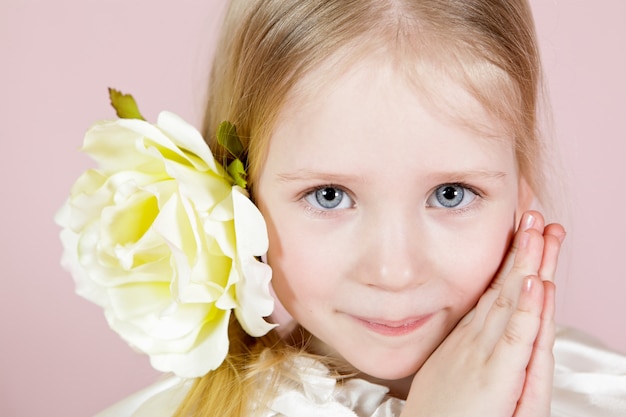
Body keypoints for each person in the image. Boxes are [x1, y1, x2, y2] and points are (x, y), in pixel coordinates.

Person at [56, 0, 626, 416]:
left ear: (522, 193)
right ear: (239, 200)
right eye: (330, 196)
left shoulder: (601, 389)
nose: (395, 271)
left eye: (451, 193)